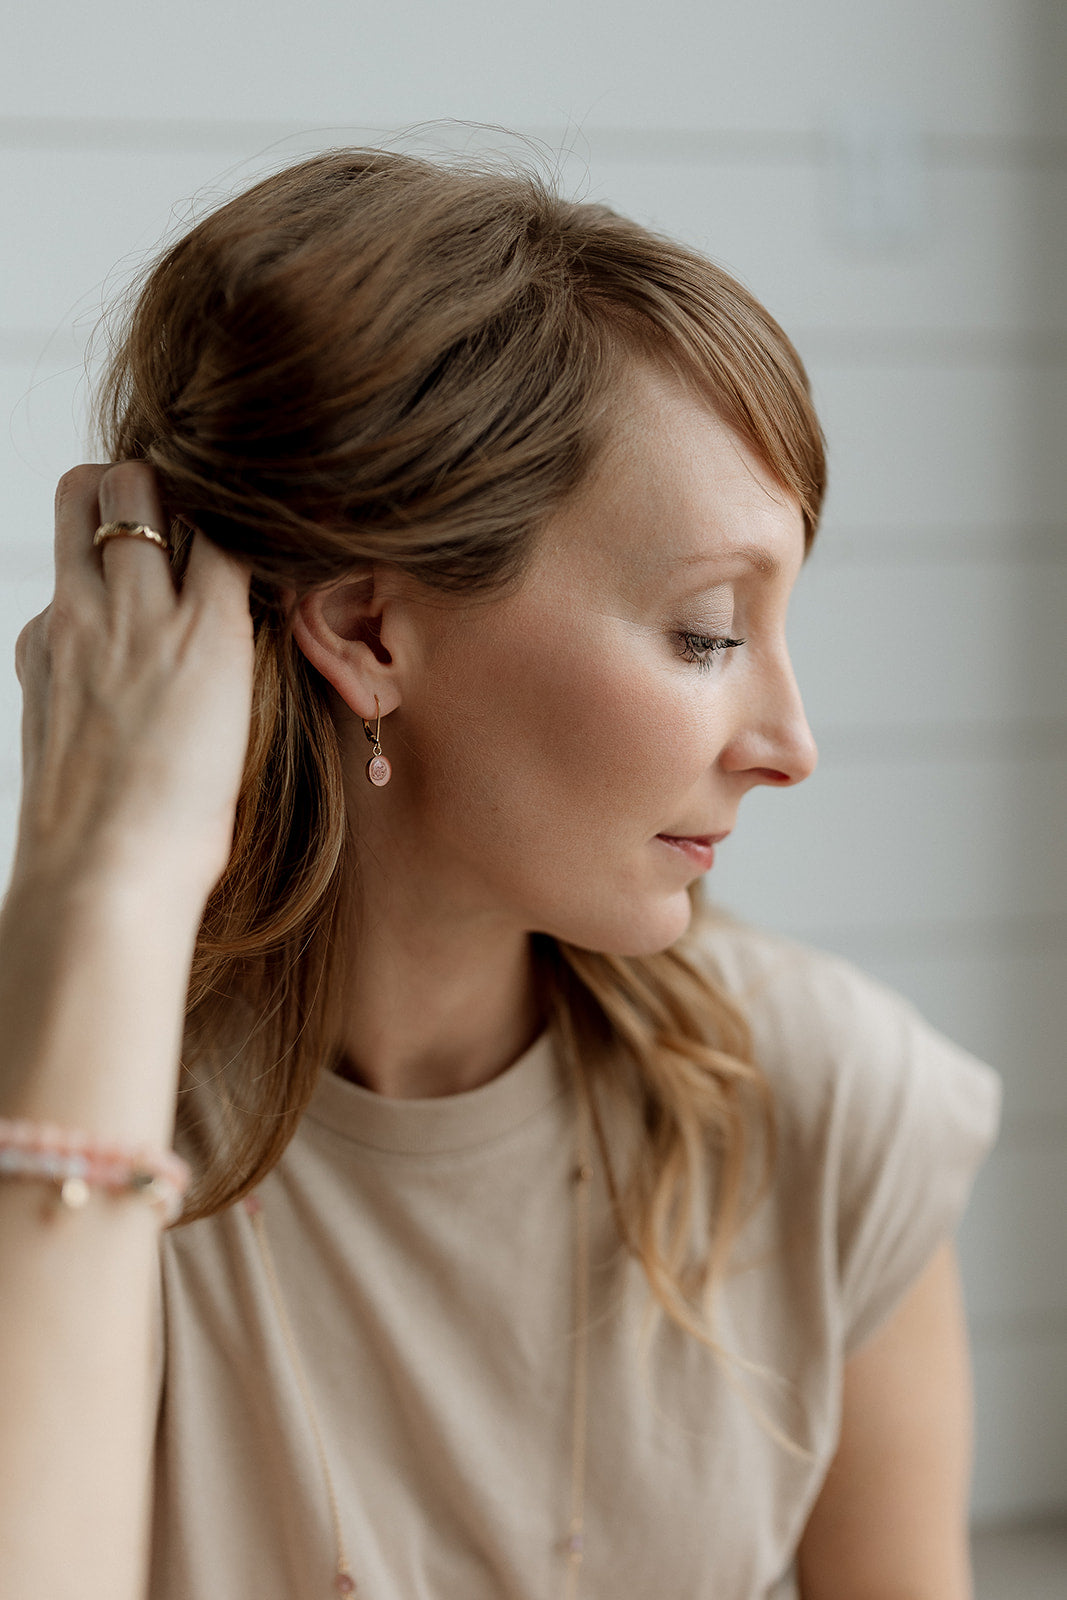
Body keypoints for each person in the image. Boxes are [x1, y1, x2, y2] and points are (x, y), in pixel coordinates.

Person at [0, 147, 1000, 1600]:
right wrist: (107, 880)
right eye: (710, 632)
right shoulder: (57, 1098)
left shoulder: (822, 1101)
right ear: (369, 630)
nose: (792, 746)